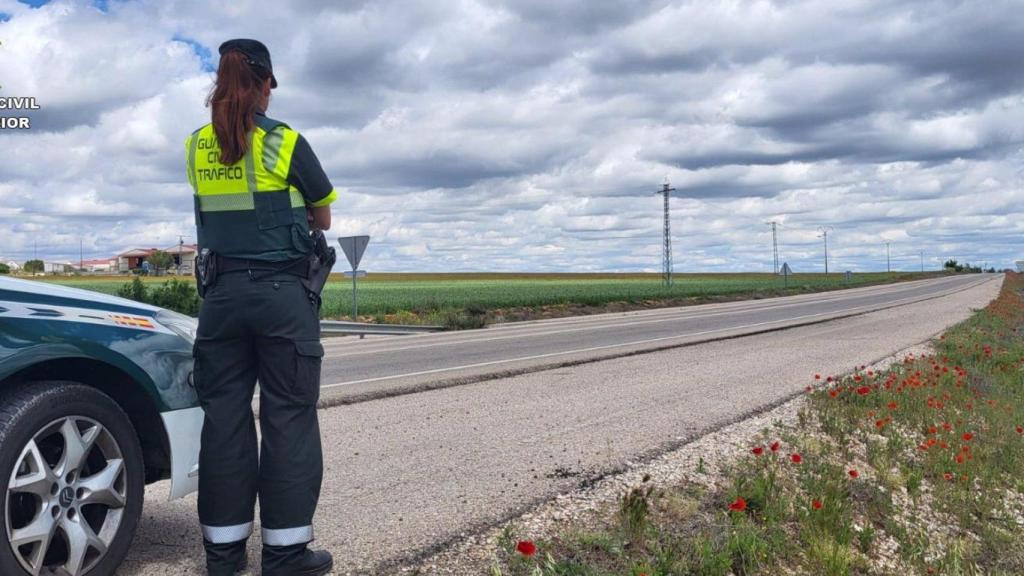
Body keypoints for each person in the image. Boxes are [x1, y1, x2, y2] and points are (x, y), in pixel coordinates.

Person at [185, 38, 337, 576]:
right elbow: (322, 217)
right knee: (288, 418)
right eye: (271, 84)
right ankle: (286, 555)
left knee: (223, 420)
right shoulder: (285, 141)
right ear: (266, 82)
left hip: (220, 301)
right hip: (281, 299)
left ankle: (223, 557)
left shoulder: (197, 145)